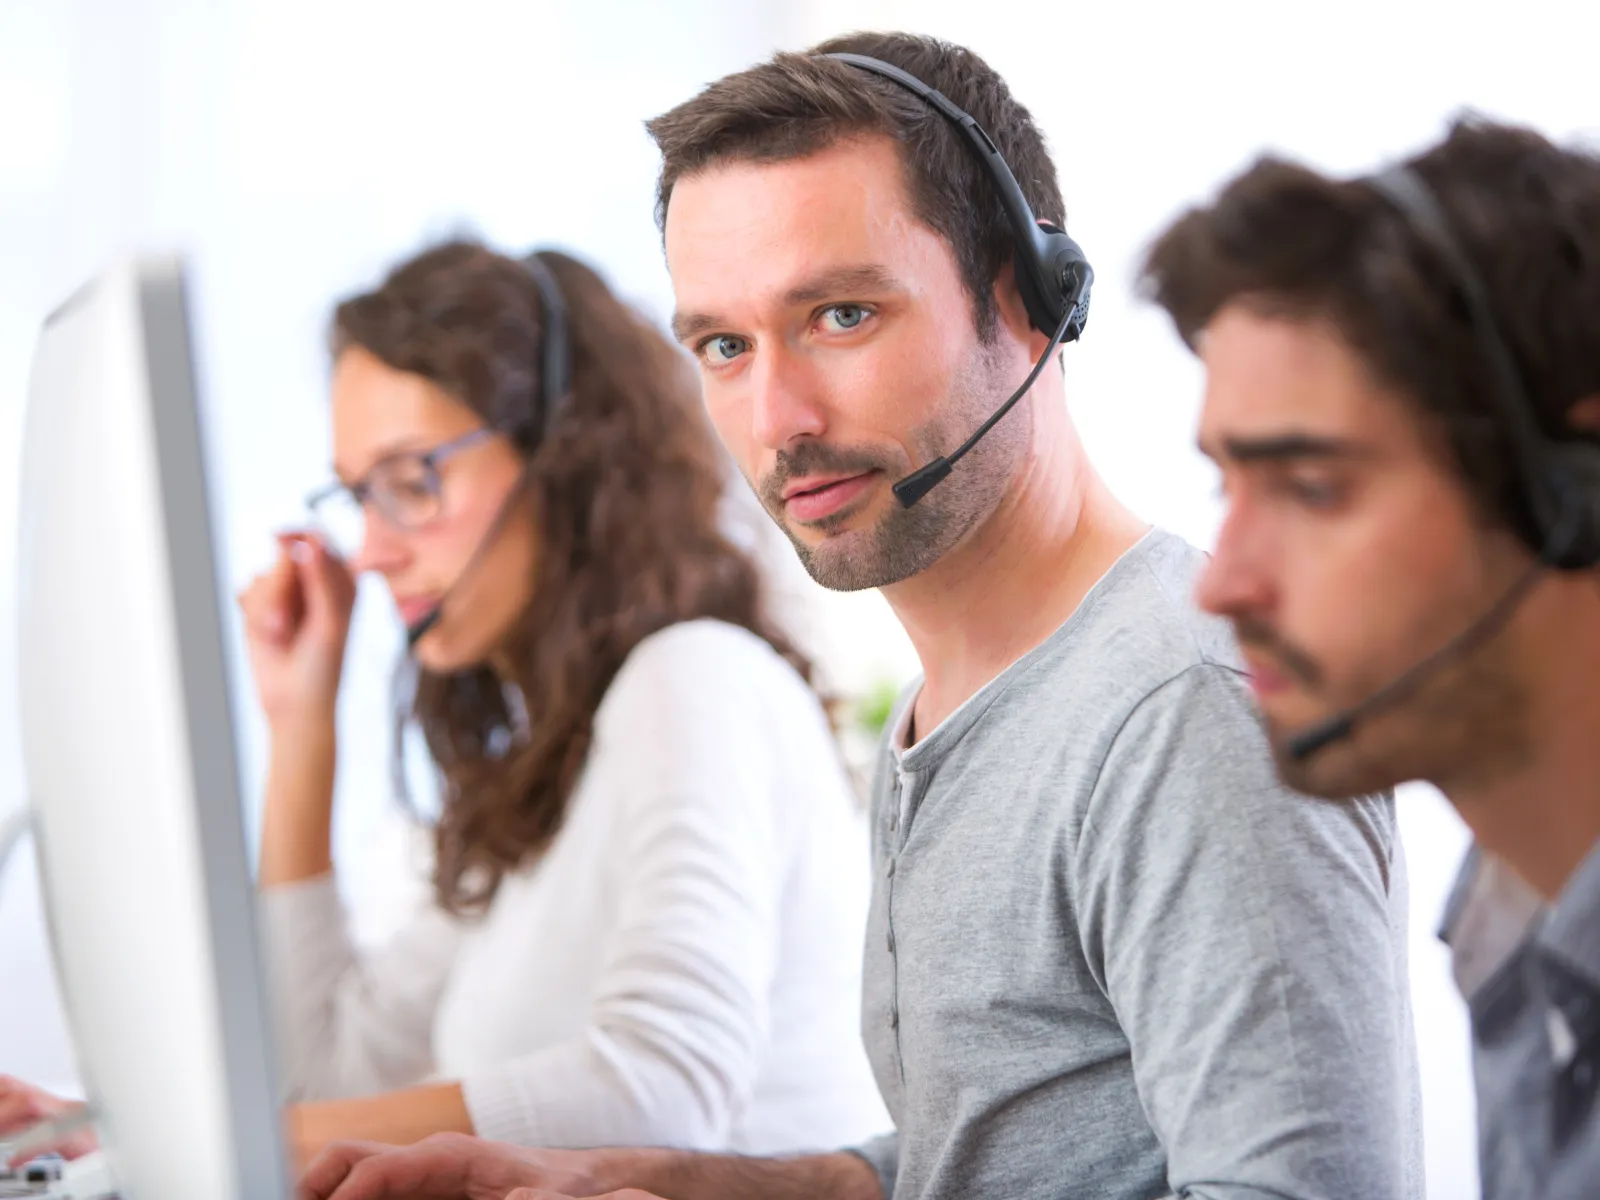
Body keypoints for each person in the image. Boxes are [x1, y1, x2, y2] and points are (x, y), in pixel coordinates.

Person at [295, 33, 1424, 1200]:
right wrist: (641, 1182)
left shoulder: (1181, 710)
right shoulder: (943, 717)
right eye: (724, 346)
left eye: (840, 315)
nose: (776, 418)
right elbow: (969, 1170)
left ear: (1030, 298)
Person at [0, 242, 888, 1169]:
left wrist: (173, 1140)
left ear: (565, 456)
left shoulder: (695, 678)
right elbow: (321, 1085)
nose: (372, 550)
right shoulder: (545, 772)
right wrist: (301, 728)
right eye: (360, 496)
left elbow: (657, 1092)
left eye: (411, 481)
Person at [1138, 118, 1600, 1199]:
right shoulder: (1514, 936)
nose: (1221, 584)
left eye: (1311, 489)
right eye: (1225, 487)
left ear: (1573, 492)